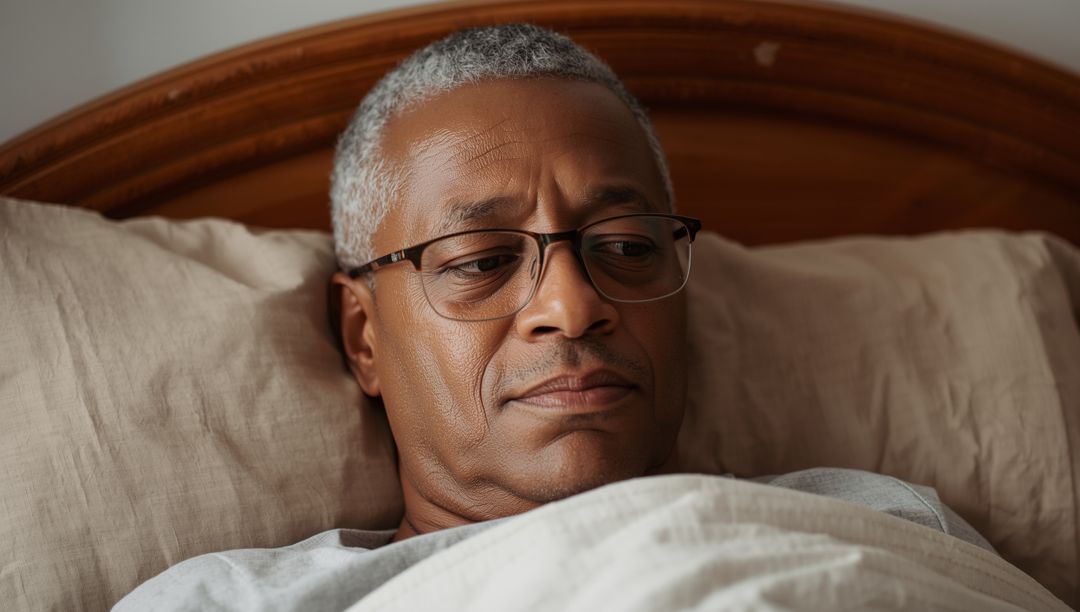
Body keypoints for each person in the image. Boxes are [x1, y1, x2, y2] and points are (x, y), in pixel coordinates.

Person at [114, 23, 992, 611]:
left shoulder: (881, 524)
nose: (574, 306)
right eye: (483, 262)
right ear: (364, 337)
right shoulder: (230, 602)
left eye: (628, 248)